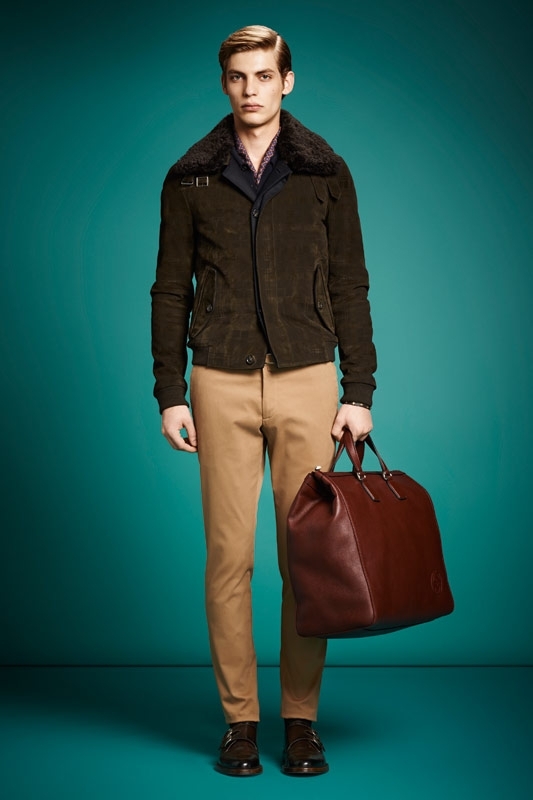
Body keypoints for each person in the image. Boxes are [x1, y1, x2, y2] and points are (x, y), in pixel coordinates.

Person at [151, 24, 377, 777]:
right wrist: (170, 391)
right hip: (217, 380)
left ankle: (301, 722)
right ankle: (239, 724)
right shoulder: (189, 178)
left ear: (287, 81)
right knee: (228, 559)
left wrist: (358, 390)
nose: (250, 89)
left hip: (307, 379)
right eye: (237, 76)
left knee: (305, 560)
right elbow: (169, 289)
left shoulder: (325, 172)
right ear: (224, 84)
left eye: (263, 75)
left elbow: (350, 283)